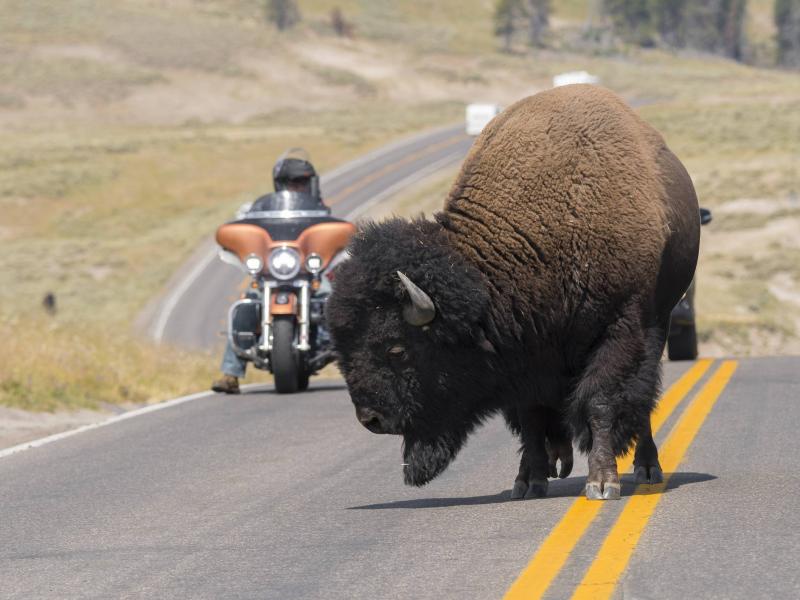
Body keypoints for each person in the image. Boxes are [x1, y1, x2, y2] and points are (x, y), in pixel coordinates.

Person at [211, 151, 325, 394]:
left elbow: (329, 237)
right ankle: (231, 374)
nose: (298, 187)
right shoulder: (261, 209)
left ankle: (356, 367)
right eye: (293, 182)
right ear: (281, 183)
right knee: (247, 304)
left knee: (336, 302)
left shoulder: (319, 211)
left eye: (303, 182)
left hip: (307, 275)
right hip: (272, 273)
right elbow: (247, 230)